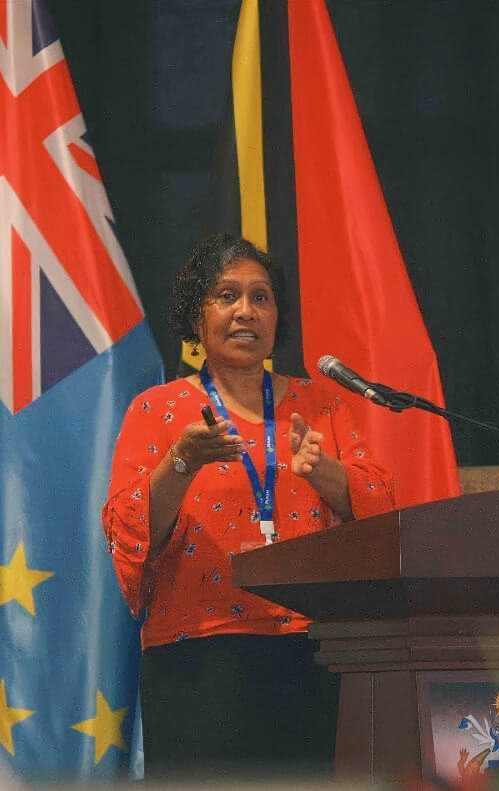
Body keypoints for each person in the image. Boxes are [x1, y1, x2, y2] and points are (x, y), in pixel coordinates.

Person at [102, 234, 395, 778]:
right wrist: (182, 462)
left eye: (261, 298)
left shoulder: (322, 402)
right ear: (196, 316)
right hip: (197, 659)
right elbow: (130, 528)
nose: (246, 311)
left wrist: (325, 472)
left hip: (311, 653)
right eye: (226, 295)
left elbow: (381, 512)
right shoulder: (158, 409)